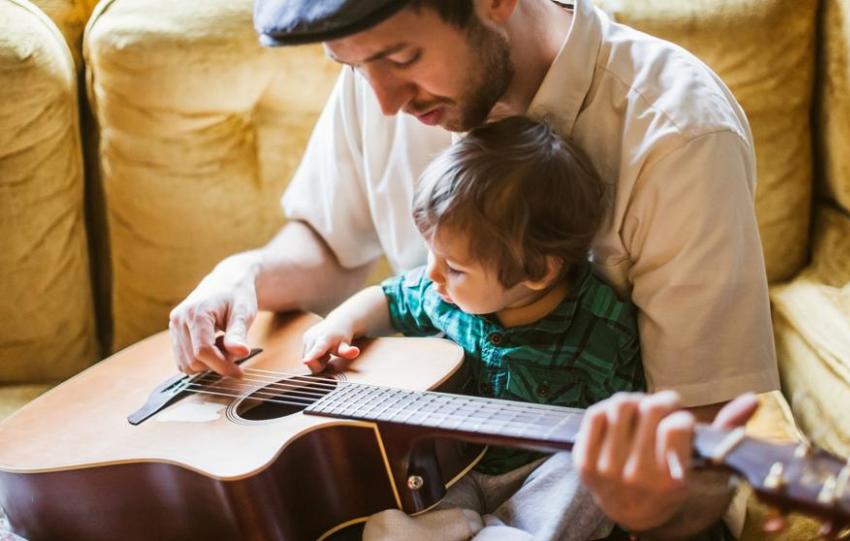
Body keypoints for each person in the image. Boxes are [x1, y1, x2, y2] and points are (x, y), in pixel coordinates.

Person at [169, 0, 779, 536]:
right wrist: (240, 275)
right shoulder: (380, 81)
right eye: (353, 67)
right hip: (436, 469)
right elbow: (330, 245)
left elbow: (704, 454)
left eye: (402, 56)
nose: (382, 102)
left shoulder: (679, 136)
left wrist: (645, 504)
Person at [305, 116, 642, 540]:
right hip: (457, 465)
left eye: (456, 268)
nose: (432, 274)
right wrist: (339, 325)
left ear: (537, 270)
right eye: (431, 253)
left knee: (589, 472)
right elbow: (388, 298)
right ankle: (442, 526)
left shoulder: (603, 329)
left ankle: (506, 532)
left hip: (541, 473)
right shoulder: (440, 295)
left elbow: (630, 427)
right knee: (410, 469)